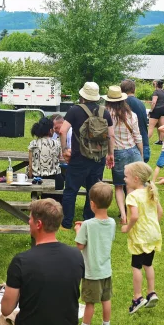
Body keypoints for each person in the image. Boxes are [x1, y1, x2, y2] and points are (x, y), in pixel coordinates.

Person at [0, 199, 84, 325]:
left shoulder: (21, 261)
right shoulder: (76, 255)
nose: (28, 221)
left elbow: (6, 309)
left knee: (3, 323)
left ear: (38, 224)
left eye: (29, 218)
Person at [59, 82, 114, 229]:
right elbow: (111, 136)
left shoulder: (74, 110)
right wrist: (110, 154)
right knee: (94, 191)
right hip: (98, 158)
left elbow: (62, 131)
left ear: (82, 95)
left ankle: (66, 223)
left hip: (78, 157)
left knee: (71, 190)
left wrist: (65, 149)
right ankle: (88, 221)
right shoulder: (105, 112)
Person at [73, 182, 116, 325]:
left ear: (92, 204)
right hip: (106, 270)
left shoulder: (87, 225)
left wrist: (78, 229)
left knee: (90, 302)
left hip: (91, 272)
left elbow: (79, 245)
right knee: (106, 299)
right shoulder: (112, 223)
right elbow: (106, 235)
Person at [122, 162, 163, 313]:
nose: (124, 179)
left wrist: (127, 227)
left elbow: (134, 216)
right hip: (153, 234)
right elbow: (160, 213)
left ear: (136, 179)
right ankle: (151, 293)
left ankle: (137, 297)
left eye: (126, 176)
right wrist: (153, 226)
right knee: (148, 264)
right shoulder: (151, 192)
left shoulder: (132, 196)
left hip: (140, 237)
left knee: (136, 266)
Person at [104, 86, 143, 224]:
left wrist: (109, 153)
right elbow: (138, 137)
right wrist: (141, 155)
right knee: (132, 185)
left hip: (118, 152)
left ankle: (123, 215)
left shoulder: (106, 115)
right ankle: (133, 212)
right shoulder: (132, 115)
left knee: (119, 186)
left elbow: (108, 136)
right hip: (133, 150)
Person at [121, 80, 150, 163]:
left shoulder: (124, 103)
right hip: (144, 141)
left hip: (133, 145)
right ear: (134, 89)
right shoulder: (140, 103)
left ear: (121, 90)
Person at [147, 80, 164, 144]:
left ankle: (145, 141)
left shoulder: (156, 92)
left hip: (156, 110)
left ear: (156, 85)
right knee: (162, 126)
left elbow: (154, 102)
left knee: (151, 127)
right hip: (163, 110)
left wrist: (151, 111)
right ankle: (160, 141)